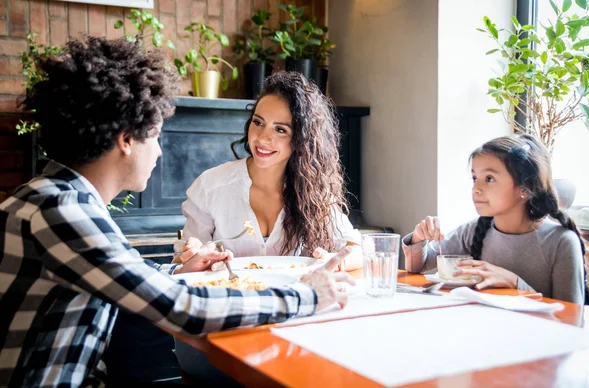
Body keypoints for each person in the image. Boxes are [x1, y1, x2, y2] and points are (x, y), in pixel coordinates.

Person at [0, 36, 353, 387]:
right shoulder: (62, 211)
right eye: (155, 135)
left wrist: (178, 268)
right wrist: (307, 295)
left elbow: (126, 272)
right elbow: (184, 308)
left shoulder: (58, 200)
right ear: (126, 140)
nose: (159, 152)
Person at [176, 71, 362, 271]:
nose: (262, 138)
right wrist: (191, 254)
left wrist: (333, 261)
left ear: (301, 139)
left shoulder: (313, 190)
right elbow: (183, 263)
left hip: (293, 299)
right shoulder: (211, 185)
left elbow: (357, 252)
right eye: (258, 122)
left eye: (280, 129)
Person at [403, 134, 586, 304]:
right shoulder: (474, 230)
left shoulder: (561, 243)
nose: (476, 188)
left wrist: (515, 283)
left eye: (489, 178)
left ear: (524, 188)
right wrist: (418, 238)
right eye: (475, 178)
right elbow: (418, 267)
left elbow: (571, 318)